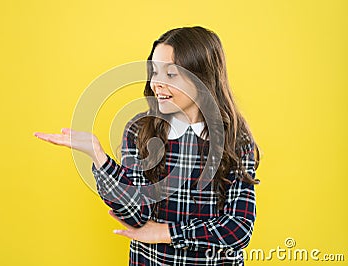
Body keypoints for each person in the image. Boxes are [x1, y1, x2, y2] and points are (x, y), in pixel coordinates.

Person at [34, 26, 261, 266]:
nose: (157, 84)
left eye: (171, 75)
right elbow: (137, 216)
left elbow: (238, 230)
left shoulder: (235, 139)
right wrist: (98, 156)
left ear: (202, 77)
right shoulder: (140, 130)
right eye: (155, 72)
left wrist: (166, 233)